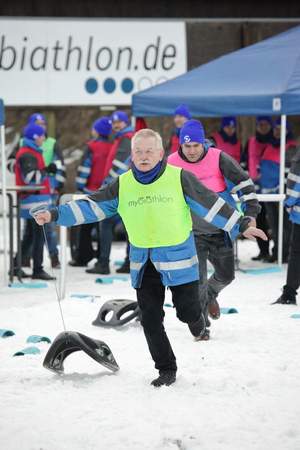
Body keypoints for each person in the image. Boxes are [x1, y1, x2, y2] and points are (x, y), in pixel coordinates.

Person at [33, 128, 267, 387]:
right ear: (132, 154)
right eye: (138, 151)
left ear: (160, 154)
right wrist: (54, 215)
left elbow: (211, 204)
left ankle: (197, 322)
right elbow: (92, 206)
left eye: (149, 151)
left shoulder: (179, 178)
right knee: (151, 318)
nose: (143, 156)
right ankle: (166, 368)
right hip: (144, 263)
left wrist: (243, 224)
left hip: (180, 262)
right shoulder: (122, 184)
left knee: (187, 313)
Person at [168, 120, 260, 339]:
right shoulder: (170, 163)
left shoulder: (219, 158)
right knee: (197, 281)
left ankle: (211, 294)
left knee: (226, 275)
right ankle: (202, 328)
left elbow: (245, 186)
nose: (191, 151)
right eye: (186, 146)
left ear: (203, 143)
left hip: (220, 229)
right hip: (190, 232)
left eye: (195, 146)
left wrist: (251, 215)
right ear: (180, 145)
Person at [86, 111, 134, 275]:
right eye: (114, 122)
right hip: (123, 188)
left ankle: (104, 262)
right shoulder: (121, 138)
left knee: (107, 223)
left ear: (126, 122)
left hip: (120, 189)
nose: (116, 125)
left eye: (119, 122)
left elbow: (120, 166)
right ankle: (128, 262)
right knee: (127, 225)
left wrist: (107, 186)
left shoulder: (126, 138)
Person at [69, 117, 113, 267]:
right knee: (103, 226)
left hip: (90, 191)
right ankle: (102, 256)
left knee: (86, 225)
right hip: (107, 192)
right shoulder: (114, 146)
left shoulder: (92, 147)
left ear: (97, 130)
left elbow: (84, 169)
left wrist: (79, 185)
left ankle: (83, 256)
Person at [15, 123, 55, 280]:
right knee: (39, 235)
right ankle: (37, 269)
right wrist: (48, 170)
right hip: (34, 201)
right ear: (35, 137)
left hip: (35, 200)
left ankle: (15, 265)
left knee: (31, 236)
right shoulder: (28, 154)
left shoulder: (31, 152)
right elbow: (31, 178)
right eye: (42, 135)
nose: (44, 138)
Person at [260, 118, 297, 262]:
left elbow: (291, 172)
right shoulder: (269, 146)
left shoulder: (291, 147)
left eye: (281, 129)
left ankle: (285, 253)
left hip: (282, 193)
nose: (277, 132)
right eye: (276, 129)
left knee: (285, 225)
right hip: (267, 192)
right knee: (274, 225)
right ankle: (276, 252)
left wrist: (282, 186)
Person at [272, 147, 300, 305]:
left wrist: (288, 204)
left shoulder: (298, 162)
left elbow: (294, 190)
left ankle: (289, 293)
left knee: (296, 254)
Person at [245, 116, 273, 261]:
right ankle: (263, 251)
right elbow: (245, 161)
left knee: (273, 222)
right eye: (260, 124)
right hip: (255, 189)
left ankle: (276, 252)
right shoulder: (251, 141)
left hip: (272, 188)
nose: (263, 127)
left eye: (265, 124)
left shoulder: (274, 140)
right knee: (259, 221)